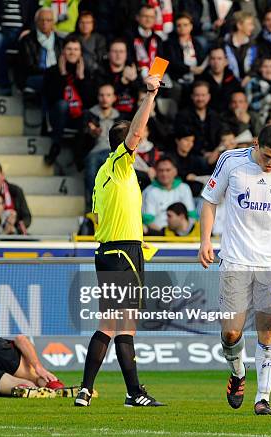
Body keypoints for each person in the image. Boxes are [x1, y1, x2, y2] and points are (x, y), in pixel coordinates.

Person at [198, 124, 271, 415]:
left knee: (267, 330)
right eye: (268, 156)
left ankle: (264, 397)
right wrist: (205, 240)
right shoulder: (232, 161)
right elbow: (209, 202)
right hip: (235, 259)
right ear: (257, 145)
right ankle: (238, 373)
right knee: (231, 332)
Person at [75, 74, 165, 408]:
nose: (140, 144)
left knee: (115, 325)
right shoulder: (120, 164)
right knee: (121, 325)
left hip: (111, 251)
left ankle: (95, 390)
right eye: (134, 141)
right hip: (122, 252)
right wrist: (150, 95)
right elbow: (138, 131)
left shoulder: (103, 175)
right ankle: (128, 392)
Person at [0, 332, 73, 398]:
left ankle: (33, 389)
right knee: (29, 383)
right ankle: (47, 387)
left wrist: (39, 368)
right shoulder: (30, 367)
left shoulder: (29, 365)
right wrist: (39, 368)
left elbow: (20, 338)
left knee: (27, 386)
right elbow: (21, 339)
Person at [44, 36, 95, 165]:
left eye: (76, 49)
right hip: (59, 115)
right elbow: (51, 98)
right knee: (62, 105)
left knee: (87, 113)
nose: (72, 52)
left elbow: (89, 102)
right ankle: (55, 146)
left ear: (80, 53)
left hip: (77, 116)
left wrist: (81, 78)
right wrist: (62, 74)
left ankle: (79, 154)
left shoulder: (86, 72)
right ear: (63, 51)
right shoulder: (52, 71)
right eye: (69, 49)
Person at [80, 83, 119, 211]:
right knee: (91, 165)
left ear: (114, 98)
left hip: (115, 152)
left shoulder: (120, 116)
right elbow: (80, 139)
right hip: (94, 151)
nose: (104, 98)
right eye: (101, 95)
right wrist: (91, 134)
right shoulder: (89, 114)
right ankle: (94, 204)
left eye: (108, 95)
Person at [141, 156, 196, 233]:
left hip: (184, 237)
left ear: (175, 171)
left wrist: (183, 234)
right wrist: (165, 234)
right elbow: (148, 221)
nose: (164, 174)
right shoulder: (149, 191)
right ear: (156, 172)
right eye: (161, 170)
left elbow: (192, 216)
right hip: (159, 236)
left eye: (168, 170)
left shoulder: (184, 188)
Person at [174, 80, 222, 156]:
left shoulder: (215, 115)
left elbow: (219, 136)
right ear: (192, 96)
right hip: (191, 156)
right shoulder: (182, 115)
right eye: (197, 95)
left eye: (203, 95)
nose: (200, 99)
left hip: (214, 155)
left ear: (208, 97)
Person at [97, 39, 141, 120]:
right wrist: (122, 82)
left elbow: (142, 95)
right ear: (108, 53)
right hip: (110, 116)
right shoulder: (101, 72)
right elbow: (104, 96)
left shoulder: (133, 71)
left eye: (121, 51)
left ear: (126, 54)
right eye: (115, 51)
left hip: (133, 116)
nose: (118, 55)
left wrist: (134, 80)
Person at [196, 47, 240, 114]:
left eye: (219, 59)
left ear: (226, 61)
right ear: (209, 61)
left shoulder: (233, 80)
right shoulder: (201, 80)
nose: (216, 62)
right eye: (213, 59)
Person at [222, 10, 258, 86]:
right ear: (239, 25)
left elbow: (256, 64)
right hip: (228, 83)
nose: (253, 27)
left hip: (249, 82)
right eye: (250, 24)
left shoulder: (253, 43)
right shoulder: (223, 43)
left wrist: (249, 76)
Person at [69, 11, 107, 75]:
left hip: (95, 71)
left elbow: (101, 57)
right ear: (78, 23)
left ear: (93, 24)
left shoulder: (100, 39)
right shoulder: (71, 37)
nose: (85, 25)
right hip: (74, 69)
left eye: (88, 22)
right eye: (82, 22)